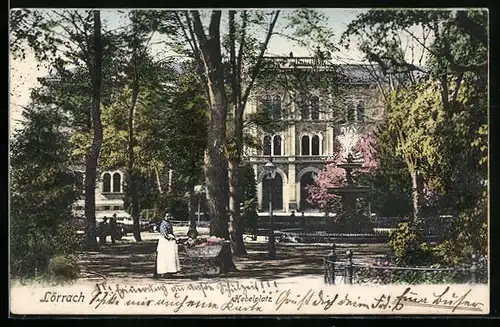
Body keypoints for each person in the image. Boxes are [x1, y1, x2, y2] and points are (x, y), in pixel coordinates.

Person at [155, 214, 180, 278]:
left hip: (170, 241)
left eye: (169, 216)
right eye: (167, 216)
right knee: (165, 257)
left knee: (171, 256)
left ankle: (170, 271)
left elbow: (171, 232)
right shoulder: (163, 224)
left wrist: (175, 238)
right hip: (165, 241)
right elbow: (164, 234)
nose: (168, 217)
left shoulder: (169, 223)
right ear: (164, 217)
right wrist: (171, 238)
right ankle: (164, 271)